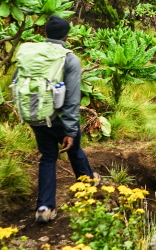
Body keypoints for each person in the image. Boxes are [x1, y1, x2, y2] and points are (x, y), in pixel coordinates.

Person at [28, 16, 97, 223]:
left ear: (45, 33)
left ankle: (44, 208)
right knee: (74, 149)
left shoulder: (31, 54)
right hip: (59, 118)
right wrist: (69, 129)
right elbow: (73, 97)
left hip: (36, 115)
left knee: (48, 157)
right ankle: (87, 185)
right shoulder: (70, 59)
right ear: (67, 35)